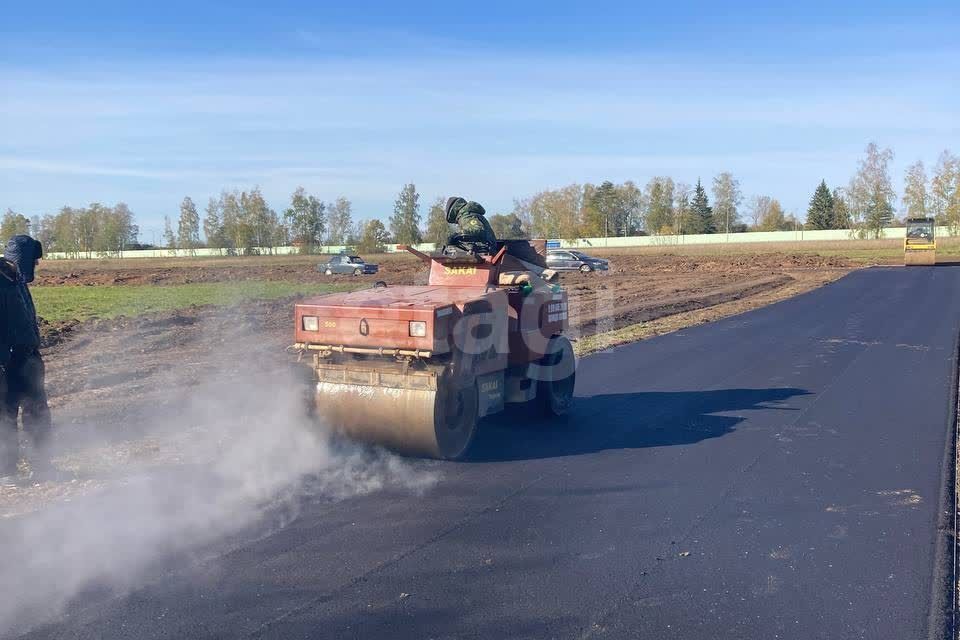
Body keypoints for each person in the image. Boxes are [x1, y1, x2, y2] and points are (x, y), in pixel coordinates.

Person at [2, 235, 52, 480]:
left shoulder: (17, 281)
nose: (37, 265)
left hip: (28, 358)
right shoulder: (2, 282)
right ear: (23, 259)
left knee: (38, 412)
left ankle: (42, 467)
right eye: (35, 260)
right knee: (4, 416)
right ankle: (6, 472)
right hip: (5, 362)